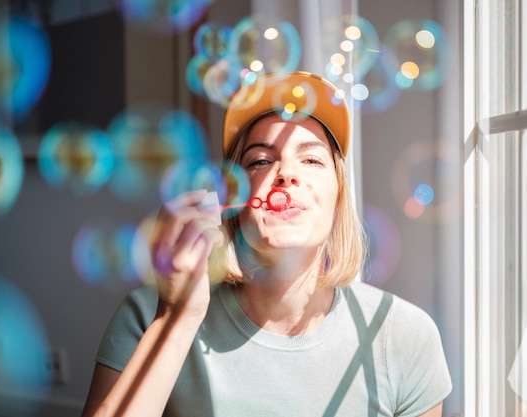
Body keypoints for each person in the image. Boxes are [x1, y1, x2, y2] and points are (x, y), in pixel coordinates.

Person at [81, 71, 452, 417]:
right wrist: (178, 317)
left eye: (310, 159)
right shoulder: (149, 314)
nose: (286, 174)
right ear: (232, 204)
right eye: (260, 160)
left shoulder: (402, 335)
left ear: (339, 199)